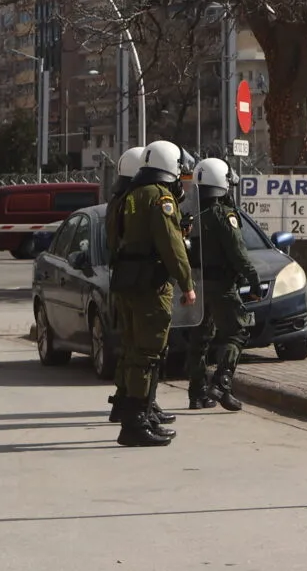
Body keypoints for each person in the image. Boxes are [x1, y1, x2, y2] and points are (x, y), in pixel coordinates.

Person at [107, 140, 194, 446]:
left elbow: (113, 241)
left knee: (134, 351)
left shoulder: (127, 196)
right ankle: (135, 423)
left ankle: (136, 415)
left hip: (126, 281)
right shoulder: (160, 197)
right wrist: (187, 284)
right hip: (150, 286)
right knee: (148, 353)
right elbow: (171, 245)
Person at [185, 159, 258, 411]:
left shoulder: (189, 213)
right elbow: (238, 252)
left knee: (200, 338)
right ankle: (222, 383)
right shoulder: (222, 215)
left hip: (196, 284)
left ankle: (197, 394)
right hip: (221, 286)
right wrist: (253, 278)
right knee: (237, 331)